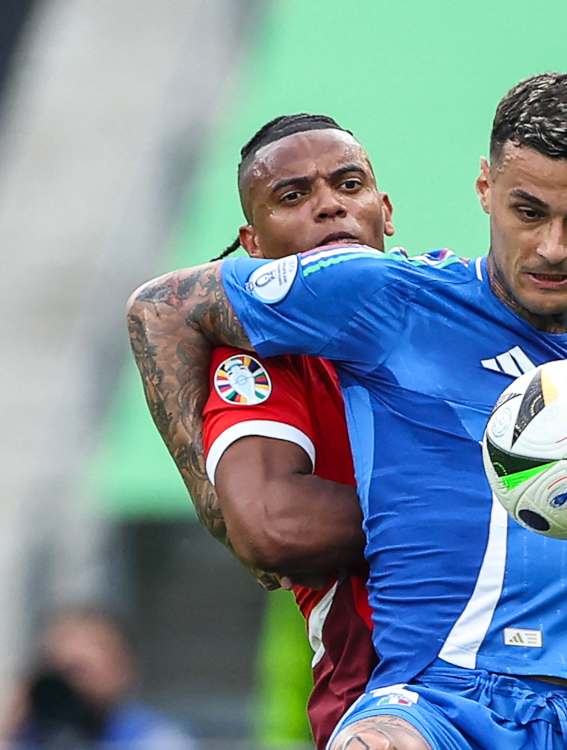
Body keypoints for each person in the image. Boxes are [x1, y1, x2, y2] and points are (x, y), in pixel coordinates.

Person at [127, 73, 567, 750]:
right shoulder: (389, 298)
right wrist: (215, 504)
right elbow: (162, 308)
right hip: (437, 699)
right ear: (484, 186)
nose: (552, 246)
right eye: (528, 211)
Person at [129, 114, 393, 748]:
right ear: (253, 245)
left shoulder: (459, 308)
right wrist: (487, 506)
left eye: (348, 184)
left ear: (385, 210)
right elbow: (272, 525)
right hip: (380, 702)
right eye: (293, 196)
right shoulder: (261, 362)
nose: (329, 205)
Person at [3, 608, 200, 750]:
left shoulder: (158, 741)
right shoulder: (29, 736)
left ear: (124, 669)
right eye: (59, 672)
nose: (71, 686)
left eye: (81, 671)